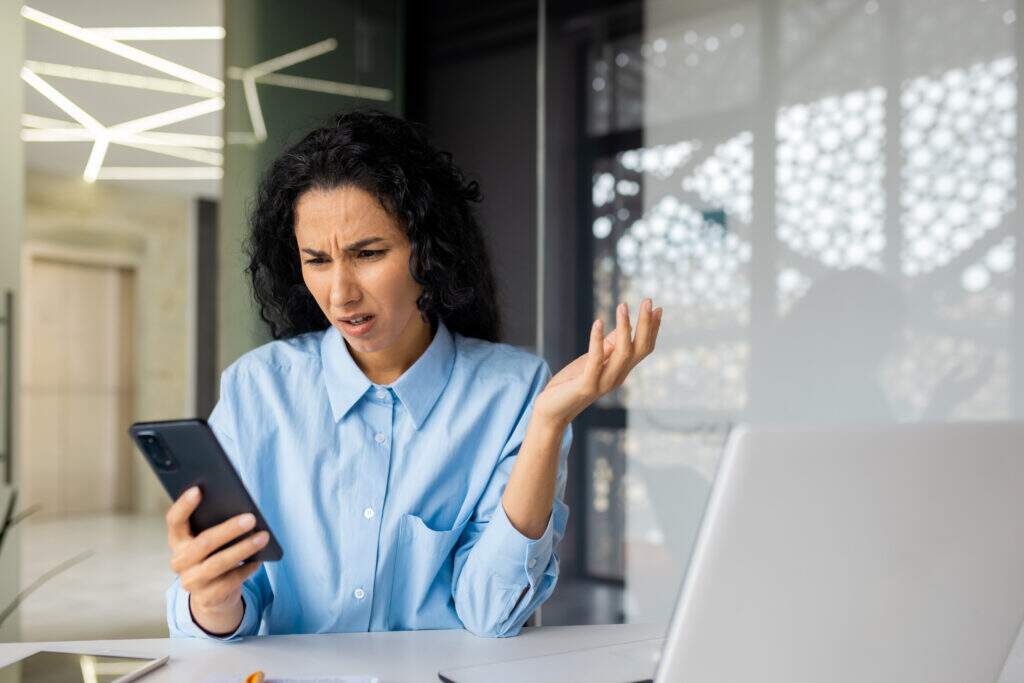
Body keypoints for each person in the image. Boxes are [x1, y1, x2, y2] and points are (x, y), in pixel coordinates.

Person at [163, 110, 662, 639]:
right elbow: (238, 608)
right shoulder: (257, 389)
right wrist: (212, 600)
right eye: (317, 260)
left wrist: (545, 427)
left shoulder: (513, 391)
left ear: (429, 251)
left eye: (369, 254)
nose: (340, 294)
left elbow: (490, 614)